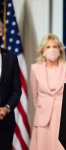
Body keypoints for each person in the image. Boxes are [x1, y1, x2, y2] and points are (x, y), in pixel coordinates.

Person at [29, 33, 66, 150]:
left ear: (60, 49)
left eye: (55, 47)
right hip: (43, 119)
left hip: (63, 118)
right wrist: (43, 108)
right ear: (42, 50)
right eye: (48, 47)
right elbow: (34, 96)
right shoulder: (35, 68)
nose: (52, 50)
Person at [0, 21, 21, 149]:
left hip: (5, 121)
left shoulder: (11, 57)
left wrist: (6, 108)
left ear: (2, 33)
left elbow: (16, 90)